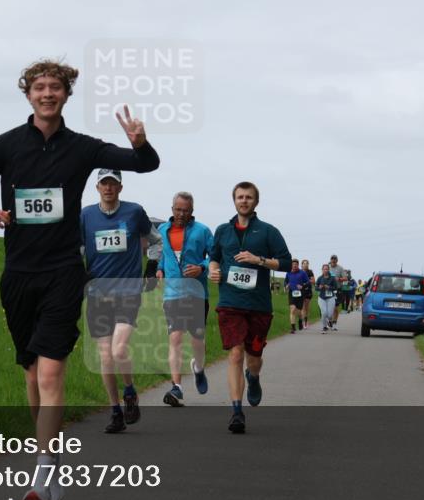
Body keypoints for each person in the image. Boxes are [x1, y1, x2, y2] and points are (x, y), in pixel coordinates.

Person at [0, 59, 159, 500]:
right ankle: (51, 453)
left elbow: (145, 164)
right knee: (31, 374)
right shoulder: (6, 145)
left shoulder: (82, 149)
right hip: (18, 275)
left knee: (50, 373)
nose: (47, 94)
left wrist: (139, 142)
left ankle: (42, 476)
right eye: (39, 87)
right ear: (28, 94)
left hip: (64, 272)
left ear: (67, 95)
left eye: (56, 88)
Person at [208, 181, 292, 433]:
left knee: (253, 358)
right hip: (230, 303)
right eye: (239, 197)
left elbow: (287, 263)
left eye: (248, 197)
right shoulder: (222, 230)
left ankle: (253, 378)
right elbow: (214, 258)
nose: (244, 201)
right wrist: (213, 270)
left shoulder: (268, 231)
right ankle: (236, 411)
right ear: (234, 200)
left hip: (258, 305)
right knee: (235, 354)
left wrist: (259, 260)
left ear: (256, 202)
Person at [80, 169, 157, 433]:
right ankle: (115, 411)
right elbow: (76, 247)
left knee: (119, 349)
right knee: (105, 355)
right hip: (98, 293)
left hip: (128, 291)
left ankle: (130, 391)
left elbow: (156, 241)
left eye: (113, 184)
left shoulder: (134, 212)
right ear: (97, 187)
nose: (109, 188)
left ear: (120, 188)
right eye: (104, 183)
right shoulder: (86, 215)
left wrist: (151, 268)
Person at [156, 192, 214, 406]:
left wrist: (202, 267)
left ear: (192, 212)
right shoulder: (162, 230)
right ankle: (176, 387)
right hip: (172, 294)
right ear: (172, 209)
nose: (181, 214)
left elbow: (215, 256)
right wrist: (160, 269)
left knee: (197, 341)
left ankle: (198, 368)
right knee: (175, 338)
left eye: (185, 210)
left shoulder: (203, 231)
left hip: (197, 293)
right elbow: (162, 255)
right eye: (177, 209)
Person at [284, 260, 310, 333]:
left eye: (296, 264)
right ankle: (293, 327)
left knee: (298, 311)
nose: (294, 266)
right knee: (292, 309)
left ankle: (300, 319)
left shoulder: (302, 273)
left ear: (298, 265)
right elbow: (285, 281)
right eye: (293, 264)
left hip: (300, 293)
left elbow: (308, 282)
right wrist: (286, 285)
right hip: (292, 293)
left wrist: (302, 286)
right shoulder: (288, 272)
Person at [315, 263, 338, 331]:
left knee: (330, 314)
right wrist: (319, 287)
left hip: (330, 297)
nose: (325, 270)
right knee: (324, 312)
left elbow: (335, 288)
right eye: (324, 269)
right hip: (321, 298)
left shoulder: (332, 278)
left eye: (327, 269)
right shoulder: (319, 278)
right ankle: (324, 326)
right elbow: (316, 288)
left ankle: (330, 321)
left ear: (329, 270)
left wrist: (329, 287)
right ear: (322, 270)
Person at [329, 255, 347, 329]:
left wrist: (339, 279)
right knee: (329, 307)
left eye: (334, 259)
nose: (333, 260)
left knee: (335, 307)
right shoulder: (328, 268)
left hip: (337, 289)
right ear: (330, 260)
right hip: (329, 289)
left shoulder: (340, 268)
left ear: (337, 260)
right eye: (332, 259)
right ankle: (330, 321)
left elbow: (345, 278)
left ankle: (334, 322)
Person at [300, 259, 315, 329]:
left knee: (306, 308)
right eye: (304, 263)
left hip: (308, 291)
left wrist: (306, 282)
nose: (305, 265)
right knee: (302, 308)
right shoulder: (299, 272)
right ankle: (303, 323)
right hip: (301, 291)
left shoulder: (310, 272)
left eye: (307, 263)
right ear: (301, 265)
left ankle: (306, 321)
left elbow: (313, 281)